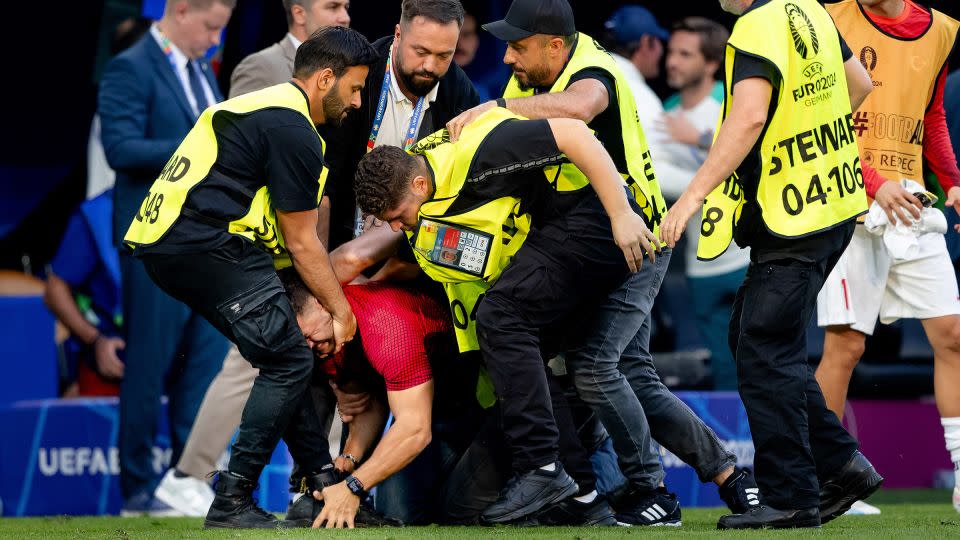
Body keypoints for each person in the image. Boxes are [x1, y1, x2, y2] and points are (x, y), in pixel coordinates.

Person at [448, 0, 759, 525]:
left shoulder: (593, 69)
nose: (506, 59)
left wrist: (497, 110)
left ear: (554, 44)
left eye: (518, 47)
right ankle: (730, 476)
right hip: (615, 234)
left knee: (593, 368)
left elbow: (581, 106)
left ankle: (647, 490)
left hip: (633, 233)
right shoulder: (535, 78)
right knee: (631, 373)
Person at [122, 26, 379, 529]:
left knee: (286, 353)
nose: (356, 102)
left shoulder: (265, 107)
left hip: (175, 241)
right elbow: (303, 243)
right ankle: (232, 499)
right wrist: (339, 311)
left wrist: (306, 303)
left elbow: (280, 236)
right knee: (286, 358)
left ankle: (322, 486)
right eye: (354, 87)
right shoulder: (294, 129)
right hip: (200, 242)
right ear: (325, 78)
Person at [660, 0, 883, 529]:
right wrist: (808, 137)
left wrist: (691, 198)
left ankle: (791, 495)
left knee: (763, 350)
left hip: (795, 217)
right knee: (757, 340)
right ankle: (842, 466)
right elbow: (860, 83)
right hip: (832, 204)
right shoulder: (811, 11)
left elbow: (751, 116)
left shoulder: (756, 24)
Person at [814, 0, 960, 513]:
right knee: (846, 347)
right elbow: (817, 117)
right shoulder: (827, 19)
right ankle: (834, 479)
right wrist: (874, 185)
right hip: (848, 202)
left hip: (911, 200)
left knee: (954, 335)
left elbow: (931, 112)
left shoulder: (940, 29)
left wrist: (954, 180)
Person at [97, 0, 235, 515]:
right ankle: (136, 489)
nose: (215, 39)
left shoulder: (200, 69)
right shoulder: (129, 66)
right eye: (211, 26)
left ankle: (188, 480)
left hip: (205, 244)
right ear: (179, 10)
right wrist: (199, 145)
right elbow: (120, 148)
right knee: (149, 368)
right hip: (153, 243)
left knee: (202, 367)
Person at [324, 0, 479, 251]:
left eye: (443, 55)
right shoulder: (354, 77)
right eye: (420, 52)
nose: (430, 66)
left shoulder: (461, 96)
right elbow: (323, 186)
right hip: (339, 241)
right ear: (398, 35)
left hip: (410, 256)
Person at [656, 17, 749, 391]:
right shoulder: (664, 110)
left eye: (685, 54)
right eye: (671, 52)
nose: (672, 62)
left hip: (745, 254)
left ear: (711, 63)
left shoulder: (734, 98)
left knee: (760, 359)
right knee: (722, 366)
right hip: (700, 262)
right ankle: (736, 447)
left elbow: (752, 153)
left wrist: (699, 138)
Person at [44, 190, 124, 397]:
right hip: (112, 364)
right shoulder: (100, 212)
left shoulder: (190, 201)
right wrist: (96, 340)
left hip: (179, 367)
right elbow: (54, 289)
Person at [230, 0, 351, 98]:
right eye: (333, 7)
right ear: (299, 14)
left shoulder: (349, 69)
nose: (345, 18)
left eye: (346, 7)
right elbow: (236, 127)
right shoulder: (259, 67)